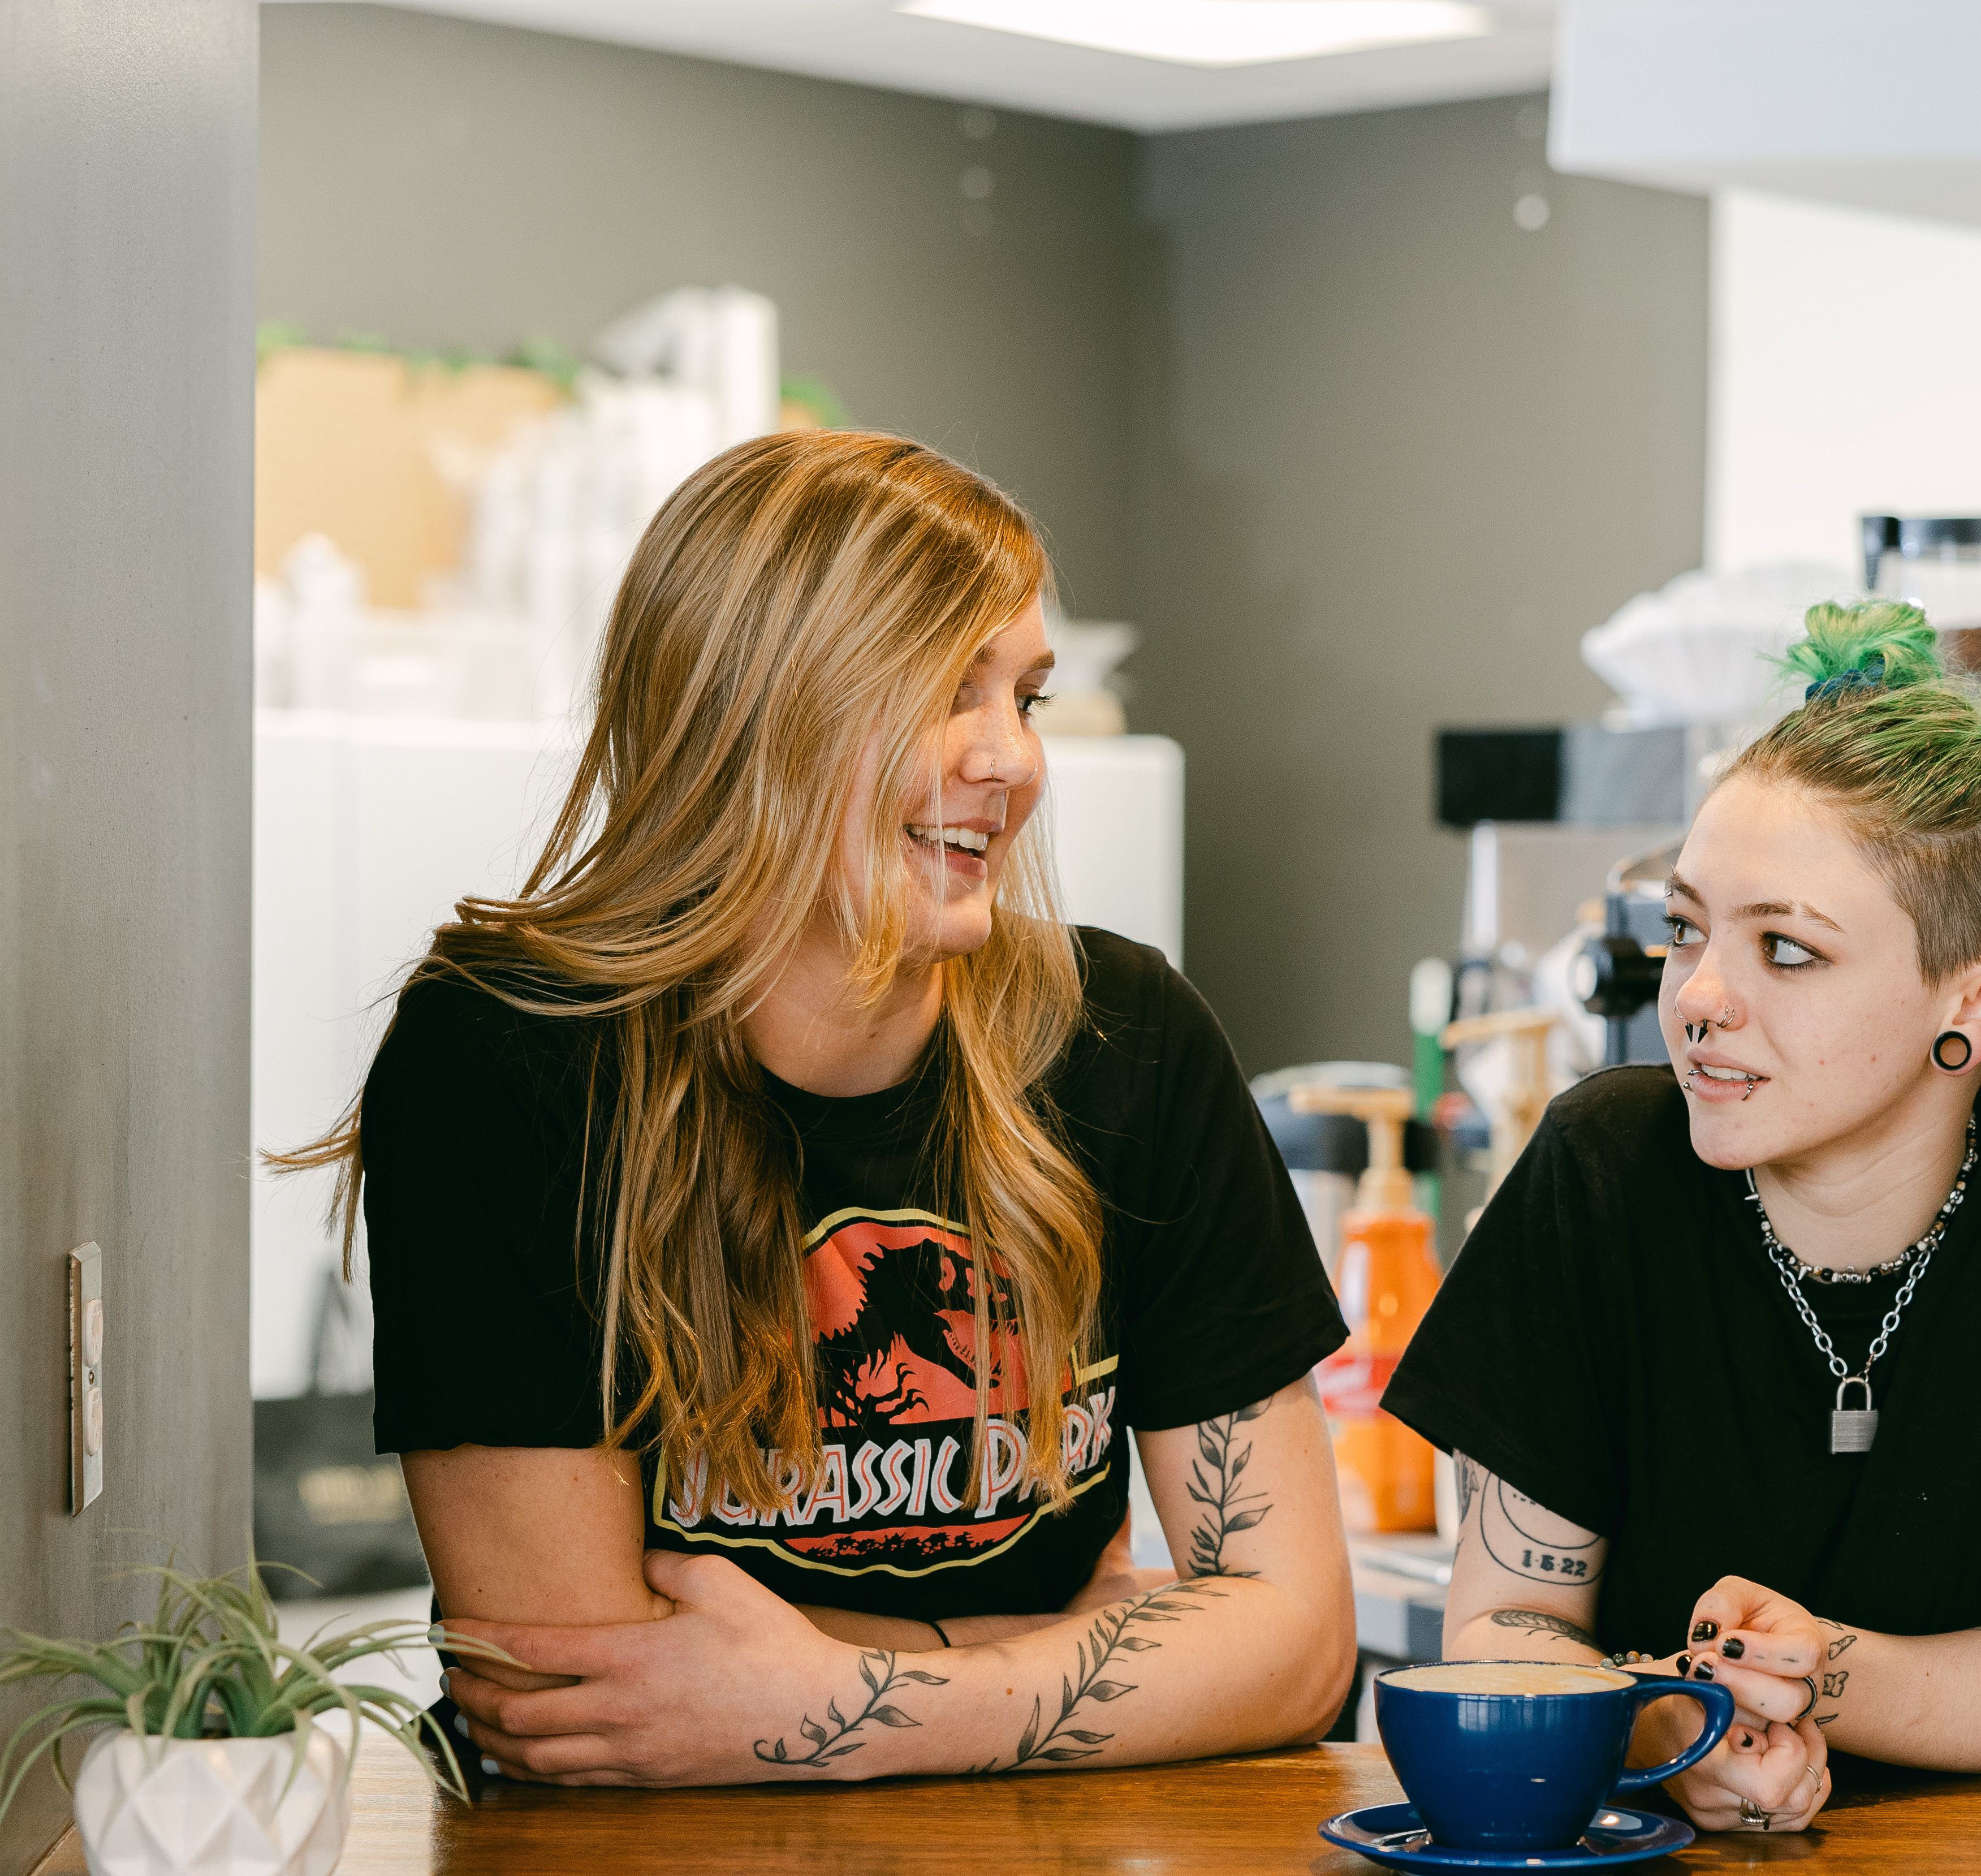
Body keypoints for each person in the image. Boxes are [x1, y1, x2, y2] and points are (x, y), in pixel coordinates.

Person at [280, 431, 1358, 1786]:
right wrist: (1063, 1651)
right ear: (752, 712)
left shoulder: (1122, 1036)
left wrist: (827, 1693)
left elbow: (1303, 1644)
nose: (1012, 762)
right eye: (943, 690)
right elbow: (566, 1686)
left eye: (1022, 693)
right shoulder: (511, 1054)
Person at [1384, 600, 1981, 1833]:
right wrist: (1663, 1736)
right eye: (1686, 929)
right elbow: (1503, 1623)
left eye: (1785, 953)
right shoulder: (1606, 1164)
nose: (1696, 999)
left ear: (1977, 997)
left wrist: (1814, 1674)